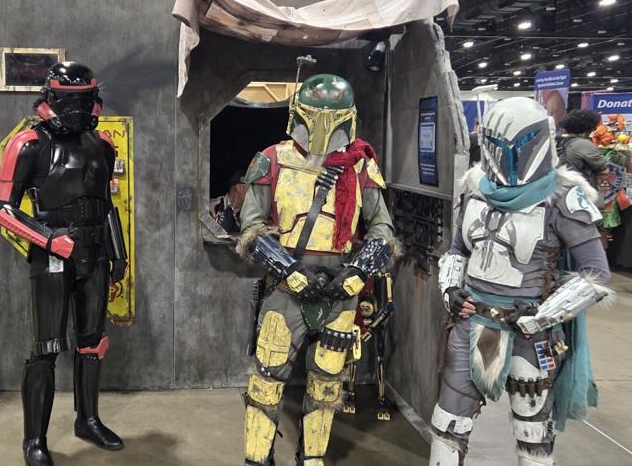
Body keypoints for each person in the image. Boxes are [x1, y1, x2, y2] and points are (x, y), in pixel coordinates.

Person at [429, 97, 611, 466]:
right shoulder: (476, 187)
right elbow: (457, 251)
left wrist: (541, 316)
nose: (509, 155)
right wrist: (451, 291)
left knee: (533, 433)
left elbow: (596, 274)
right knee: (447, 424)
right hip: (471, 324)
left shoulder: (563, 196)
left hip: (530, 334)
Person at [236, 74, 395, 466]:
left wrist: (356, 274)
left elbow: (382, 229)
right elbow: (251, 229)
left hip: (341, 290)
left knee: (327, 384)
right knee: (266, 381)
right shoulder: (272, 159)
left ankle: (312, 457)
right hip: (285, 289)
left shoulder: (359, 165)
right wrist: (289, 271)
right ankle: (257, 459)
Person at [0, 62, 128, 466]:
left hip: (95, 252)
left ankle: (88, 420)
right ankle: (34, 439)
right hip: (52, 255)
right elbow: (3, 210)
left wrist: (118, 252)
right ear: (51, 97)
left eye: (83, 99)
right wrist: (50, 239)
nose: (76, 108)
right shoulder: (27, 144)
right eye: (69, 99)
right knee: (46, 349)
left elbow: (106, 205)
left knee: (92, 343)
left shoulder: (103, 144)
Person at [557, 109, 609, 195]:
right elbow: (604, 172)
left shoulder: (558, 142)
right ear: (589, 128)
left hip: (559, 192)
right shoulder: (584, 144)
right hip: (581, 194)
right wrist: (605, 193)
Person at [209, 170, 248, 234]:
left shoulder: (251, 214)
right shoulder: (211, 207)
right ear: (239, 188)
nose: (256, 194)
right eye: (252, 189)